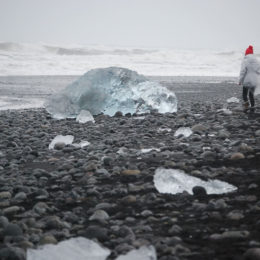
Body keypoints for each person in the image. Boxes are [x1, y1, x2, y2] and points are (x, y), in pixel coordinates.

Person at [239, 45, 260, 112]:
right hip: (254, 80)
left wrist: (240, 80)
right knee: (251, 94)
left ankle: (246, 104)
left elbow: (243, 71)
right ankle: (252, 106)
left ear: (246, 53)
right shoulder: (256, 61)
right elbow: (258, 71)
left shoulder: (245, 60)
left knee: (244, 94)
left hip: (247, 80)